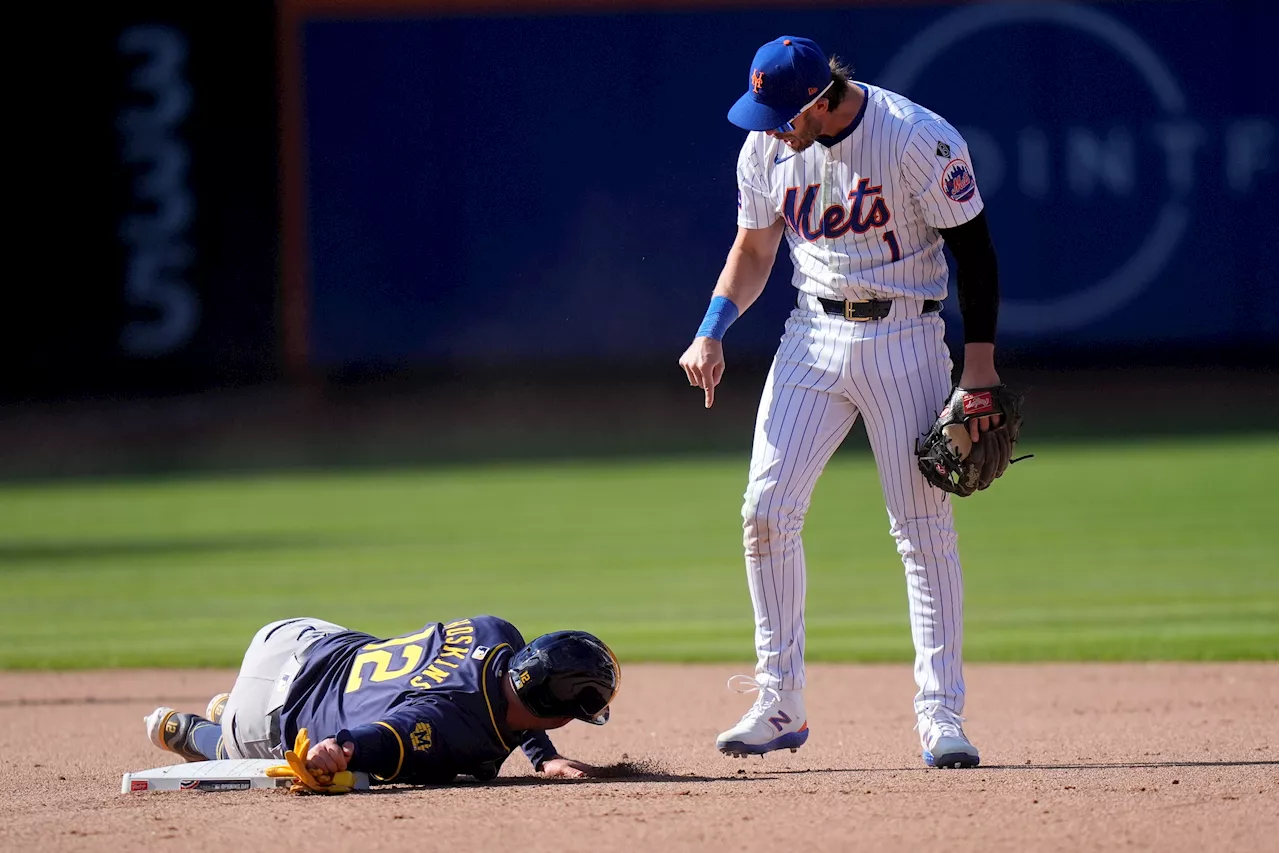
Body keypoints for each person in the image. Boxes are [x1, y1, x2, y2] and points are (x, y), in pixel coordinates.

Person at [678, 36, 1004, 768]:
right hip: (810, 334)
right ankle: (779, 699)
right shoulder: (765, 148)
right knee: (765, 509)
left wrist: (977, 368)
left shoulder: (916, 138)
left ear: (824, 97)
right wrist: (711, 330)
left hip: (905, 336)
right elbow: (755, 249)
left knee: (921, 527)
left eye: (781, 112)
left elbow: (975, 253)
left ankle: (941, 715)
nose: (768, 126)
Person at [144, 615, 620, 785]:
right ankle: (200, 732)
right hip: (267, 717)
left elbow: (511, 696)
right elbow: (392, 737)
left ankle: (227, 711)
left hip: (301, 636)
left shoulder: (497, 632)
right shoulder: (451, 726)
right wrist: (340, 749)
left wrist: (543, 757)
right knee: (254, 756)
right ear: (558, 717)